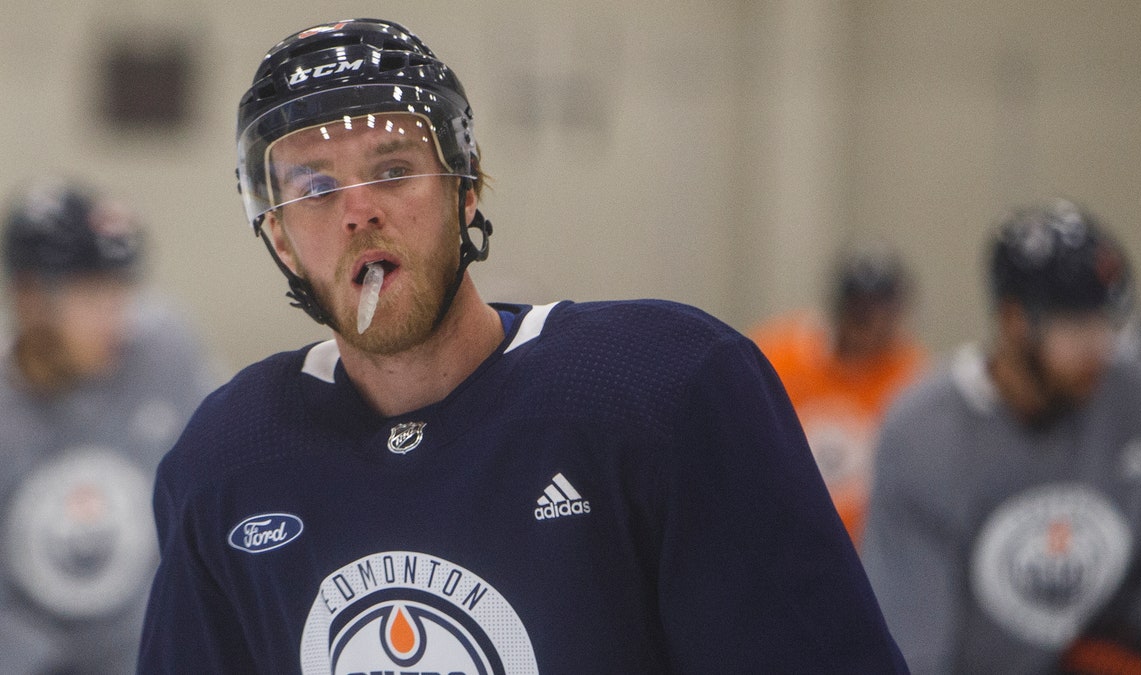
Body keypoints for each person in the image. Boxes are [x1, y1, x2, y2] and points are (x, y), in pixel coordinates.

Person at [136, 18, 908, 673]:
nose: (358, 211)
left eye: (395, 169)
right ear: (278, 235)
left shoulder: (664, 388)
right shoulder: (226, 459)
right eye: (314, 188)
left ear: (467, 190)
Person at [860, 199, 1141, 674]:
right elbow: (910, 635)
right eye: (1079, 324)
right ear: (1015, 320)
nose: (1099, 345)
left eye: (1107, 321)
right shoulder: (925, 433)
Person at [0, 179, 216, 673]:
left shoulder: (164, 353)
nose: (116, 320)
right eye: (93, 295)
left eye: (123, 292)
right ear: (30, 297)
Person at [750, 245, 924, 544]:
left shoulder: (912, 379)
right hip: (776, 540)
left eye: (880, 313)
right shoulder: (777, 357)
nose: (870, 327)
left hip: (866, 555)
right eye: (859, 312)